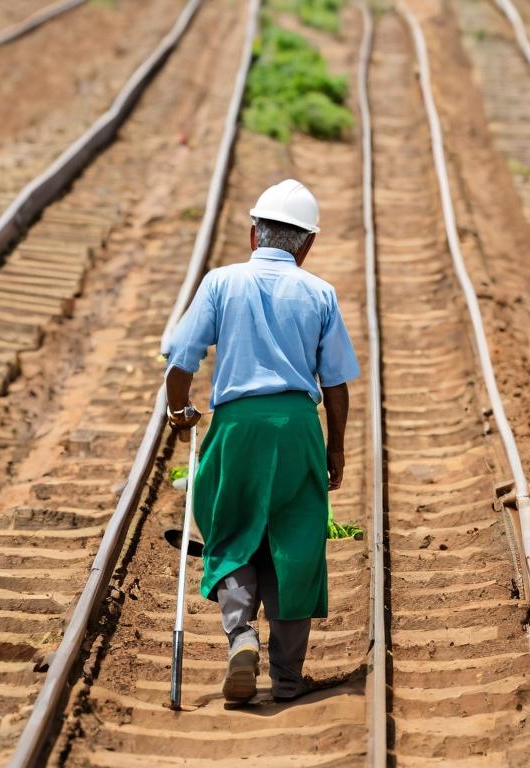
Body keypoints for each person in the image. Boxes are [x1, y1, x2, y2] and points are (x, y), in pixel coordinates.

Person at [162, 179, 360, 705]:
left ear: (254, 235)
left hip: (237, 425)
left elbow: (182, 356)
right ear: (307, 245)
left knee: (230, 531)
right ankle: (289, 679)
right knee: (295, 544)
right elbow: (335, 385)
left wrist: (179, 411)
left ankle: (241, 635)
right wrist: (334, 449)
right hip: (297, 426)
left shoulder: (221, 283)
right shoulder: (319, 293)